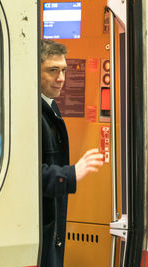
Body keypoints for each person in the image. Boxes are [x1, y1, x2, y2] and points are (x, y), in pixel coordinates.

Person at [40, 39, 104, 267]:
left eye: (64, 70)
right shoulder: (32, 111)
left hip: (51, 225)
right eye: (52, 70)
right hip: (40, 231)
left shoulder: (50, 106)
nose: (61, 79)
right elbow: (26, 176)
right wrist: (70, 174)